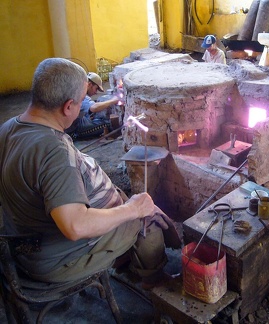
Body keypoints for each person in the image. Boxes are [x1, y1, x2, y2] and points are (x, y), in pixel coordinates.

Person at [0, 58, 180, 286]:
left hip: (26, 244)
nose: (83, 106)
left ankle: (126, 257)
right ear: (68, 106)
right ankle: (153, 281)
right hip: (55, 260)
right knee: (149, 220)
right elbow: (76, 226)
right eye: (81, 101)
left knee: (129, 206)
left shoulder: (8, 128)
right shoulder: (54, 152)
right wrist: (133, 209)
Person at [65, 72, 119, 139]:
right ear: (89, 84)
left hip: (72, 123)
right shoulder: (81, 94)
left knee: (93, 117)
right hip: (74, 129)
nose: (96, 92)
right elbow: (94, 108)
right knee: (107, 123)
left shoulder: (74, 90)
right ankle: (75, 135)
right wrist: (113, 101)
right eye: (96, 88)